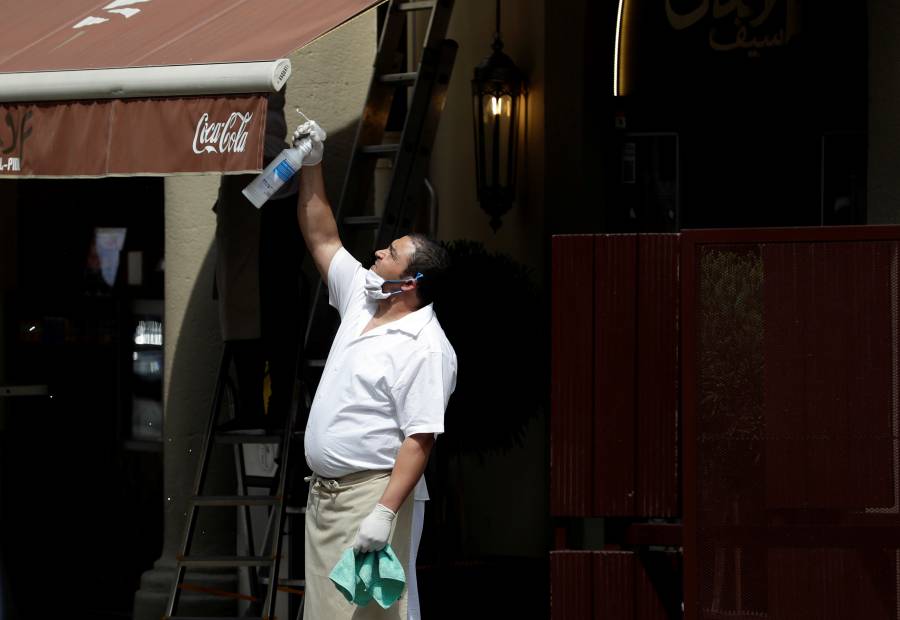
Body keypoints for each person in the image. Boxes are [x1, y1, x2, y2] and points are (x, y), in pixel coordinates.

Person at [291, 119, 457, 619]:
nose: (380, 250)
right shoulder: (363, 296)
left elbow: (419, 438)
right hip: (325, 498)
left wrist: (384, 513)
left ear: (411, 282)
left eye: (393, 253)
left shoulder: (427, 347)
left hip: (371, 496)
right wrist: (312, 163)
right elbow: (321, 235)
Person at [213, 88, 308, 434]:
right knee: (256, 318)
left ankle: (273, 408)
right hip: (250, 231)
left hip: (267, 240)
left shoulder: (270, 149)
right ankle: (259, 408)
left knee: (273, 318)